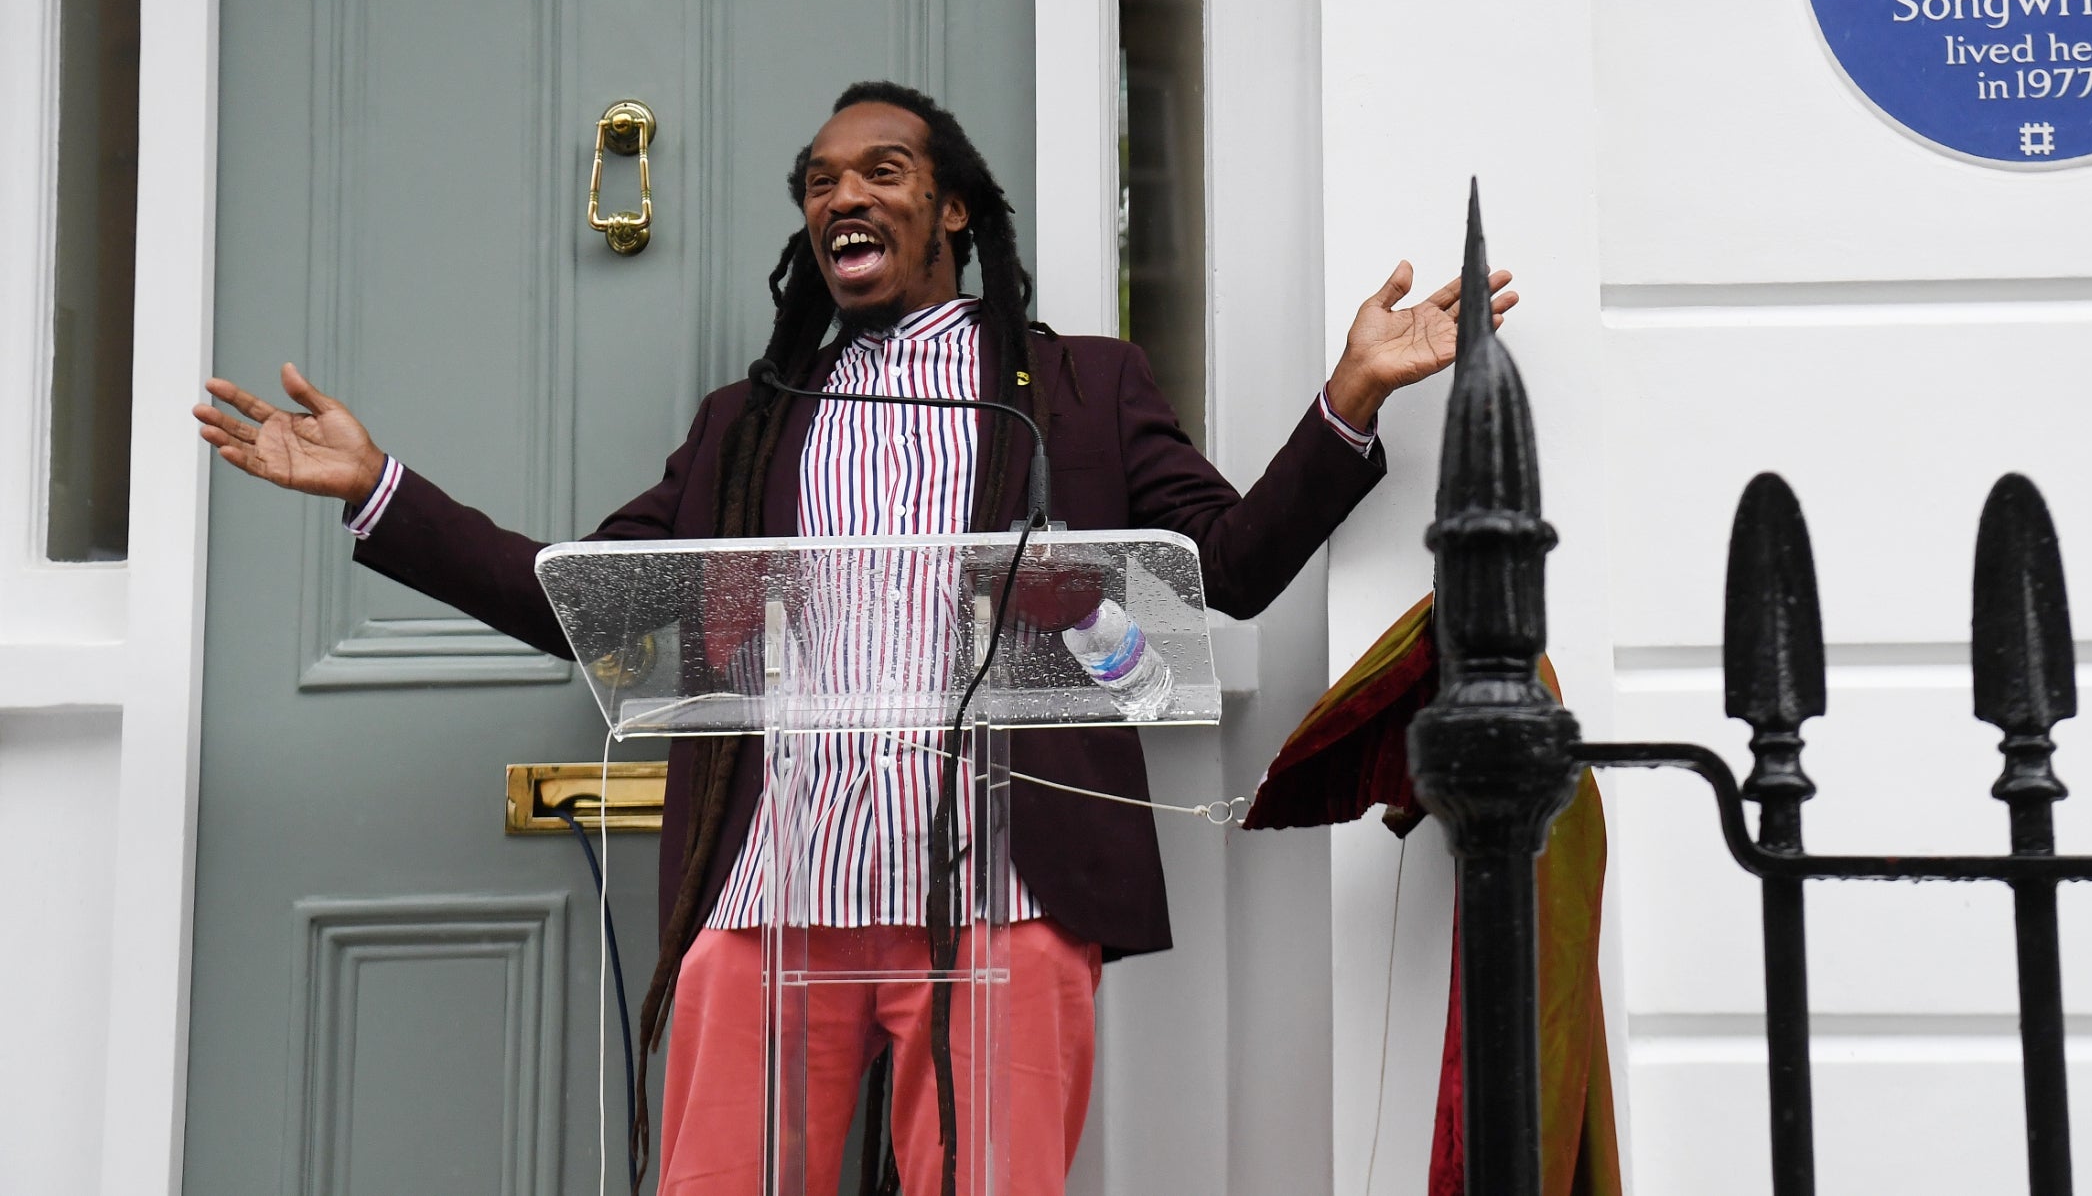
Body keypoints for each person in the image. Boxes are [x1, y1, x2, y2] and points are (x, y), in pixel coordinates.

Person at [195, 81, 1514, 1196]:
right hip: (772, 895)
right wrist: (381, 490)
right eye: (818, 183)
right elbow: (586, 600)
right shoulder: (750, 421)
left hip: (1002, 899)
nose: (841, 198)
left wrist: (1347, 399)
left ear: (949, 209)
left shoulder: (1080, 386)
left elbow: (1222, 572)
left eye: (880, 171)